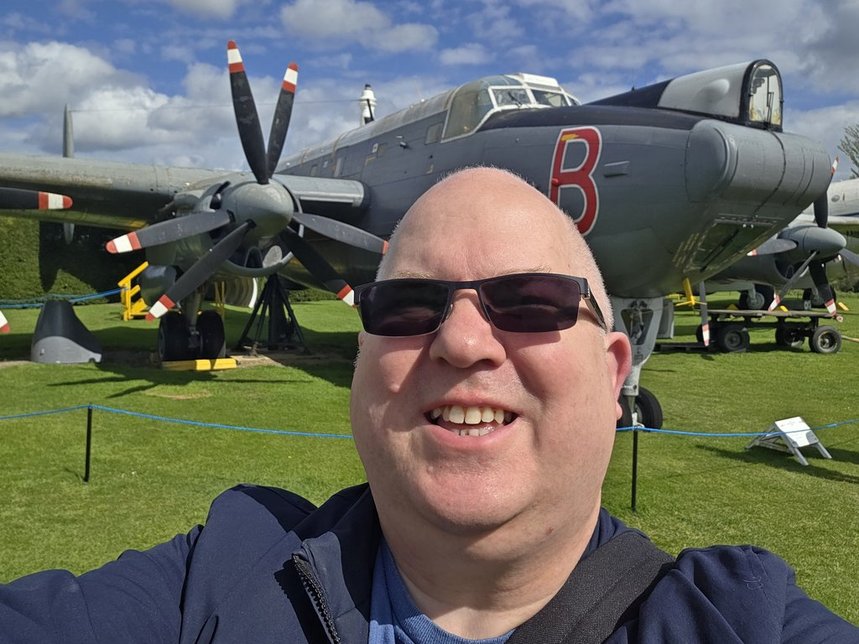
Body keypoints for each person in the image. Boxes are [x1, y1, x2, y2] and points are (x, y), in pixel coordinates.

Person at [0, 167, 855, 643]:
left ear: (613, 372)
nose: (462, 342)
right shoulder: (214, 579)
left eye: (532, 301)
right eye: (406, 305)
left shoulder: (736, 620)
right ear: (365, 357)